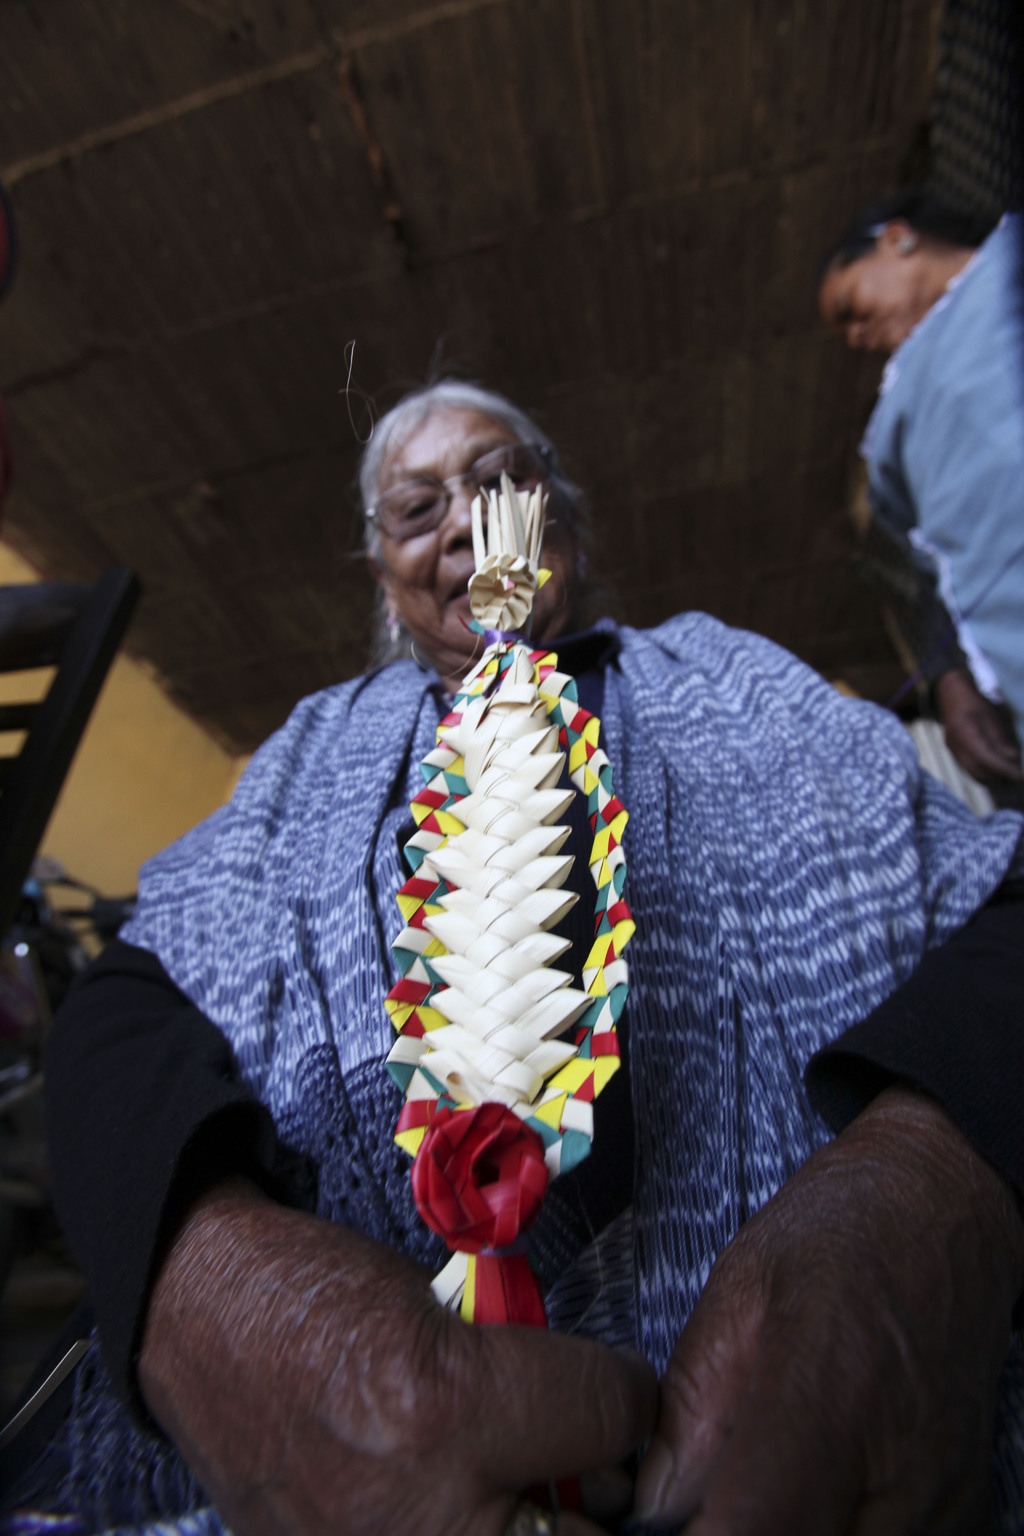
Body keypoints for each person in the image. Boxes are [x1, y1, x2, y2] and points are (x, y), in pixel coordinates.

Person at [4, 380, 1024, 1536]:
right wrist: (207, 1288)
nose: (464, 522)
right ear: (383, 575)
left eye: (500, 481)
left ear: (563, 520)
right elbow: (127, 1006)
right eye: (417, 508)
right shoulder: (306, 756)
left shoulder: (743, 683)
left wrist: (929, 1185)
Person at [818, 190, 1024, 801]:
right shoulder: (894, 434)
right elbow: (932, 572)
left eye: (851, 308)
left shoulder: (1006, 270)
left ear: (896, 239)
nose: (856, 337)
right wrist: (950, 678)